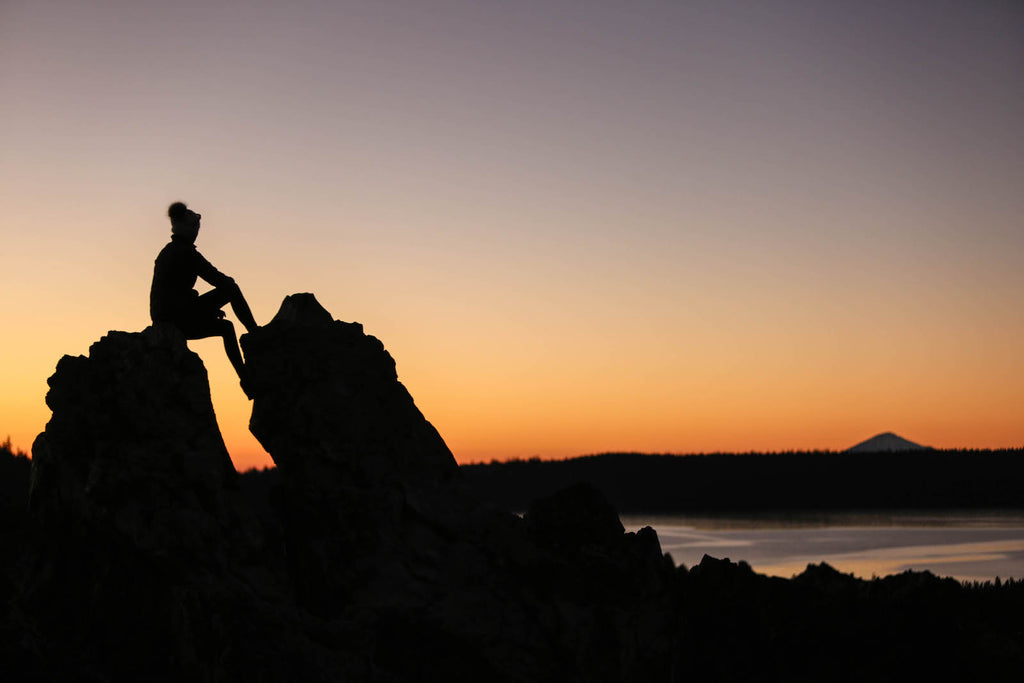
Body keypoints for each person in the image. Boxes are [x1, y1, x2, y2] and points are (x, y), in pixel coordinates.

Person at [150, 202, 259, 398]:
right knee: (231, 288)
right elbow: (219, 280)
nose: (197, 231)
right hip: (178, 318)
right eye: (194, 227)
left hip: (169, 318)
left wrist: (204, 308)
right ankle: (256, 334)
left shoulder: (169, 251)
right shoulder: (186, 253)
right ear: (185, 227)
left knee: (226, 328)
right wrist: (206, 307)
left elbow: (172, 290)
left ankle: (247, 381)